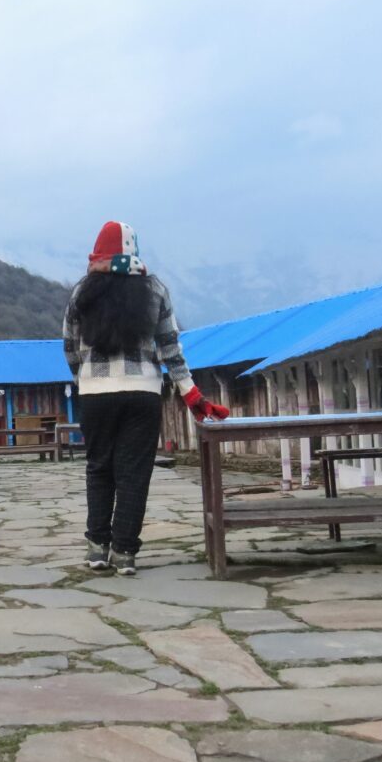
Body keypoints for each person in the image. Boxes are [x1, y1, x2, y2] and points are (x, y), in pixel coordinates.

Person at [63, 221, 229, 575]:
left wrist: (84, 378)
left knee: (99, 468)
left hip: (96, 394)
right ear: (134, 253)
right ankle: (125, 552)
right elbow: (171, 349)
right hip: (143, 394)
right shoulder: (155, 291)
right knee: (134, 472)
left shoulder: (81, 292)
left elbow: (69, 346)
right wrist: (192, 393)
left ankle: (97, 548)